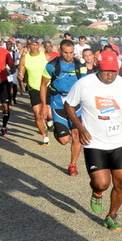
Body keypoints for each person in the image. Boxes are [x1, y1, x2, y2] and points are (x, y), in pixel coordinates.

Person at [64, 50, 122, 231]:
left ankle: (112, 216)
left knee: (121, 183)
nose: (110, 74)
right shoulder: (84, 84)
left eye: (113, 71)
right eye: (106, 70)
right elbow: (69, 105)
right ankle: (97, 191)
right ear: (98, 67)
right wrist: (80, 128)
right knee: (102, 183)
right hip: (94, 142)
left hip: (119, 142)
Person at [40, 39, 88, 175]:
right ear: (60, 51)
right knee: (64, 140)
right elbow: (43, 85)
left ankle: (73, 165)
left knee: (76, 135)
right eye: (66, 53)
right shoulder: (51, 66)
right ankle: (56, 129)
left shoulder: (80, 66)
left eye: (71, 52)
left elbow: (86, 86)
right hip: (58, 102)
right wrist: (44, 106)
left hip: (75, 105)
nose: (69, 55)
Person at [17, 37, 51, 145]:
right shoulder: (24, 58)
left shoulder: (46, 56)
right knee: (37, 114)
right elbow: (21, 71)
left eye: (36, 44)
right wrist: (21, 77)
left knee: (49, 114)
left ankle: (50, 122)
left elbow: (54, 69)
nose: (35, 47)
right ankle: (45, 136)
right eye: (32, 45)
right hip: (33, 88)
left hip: (47, 87)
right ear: (28, 46)